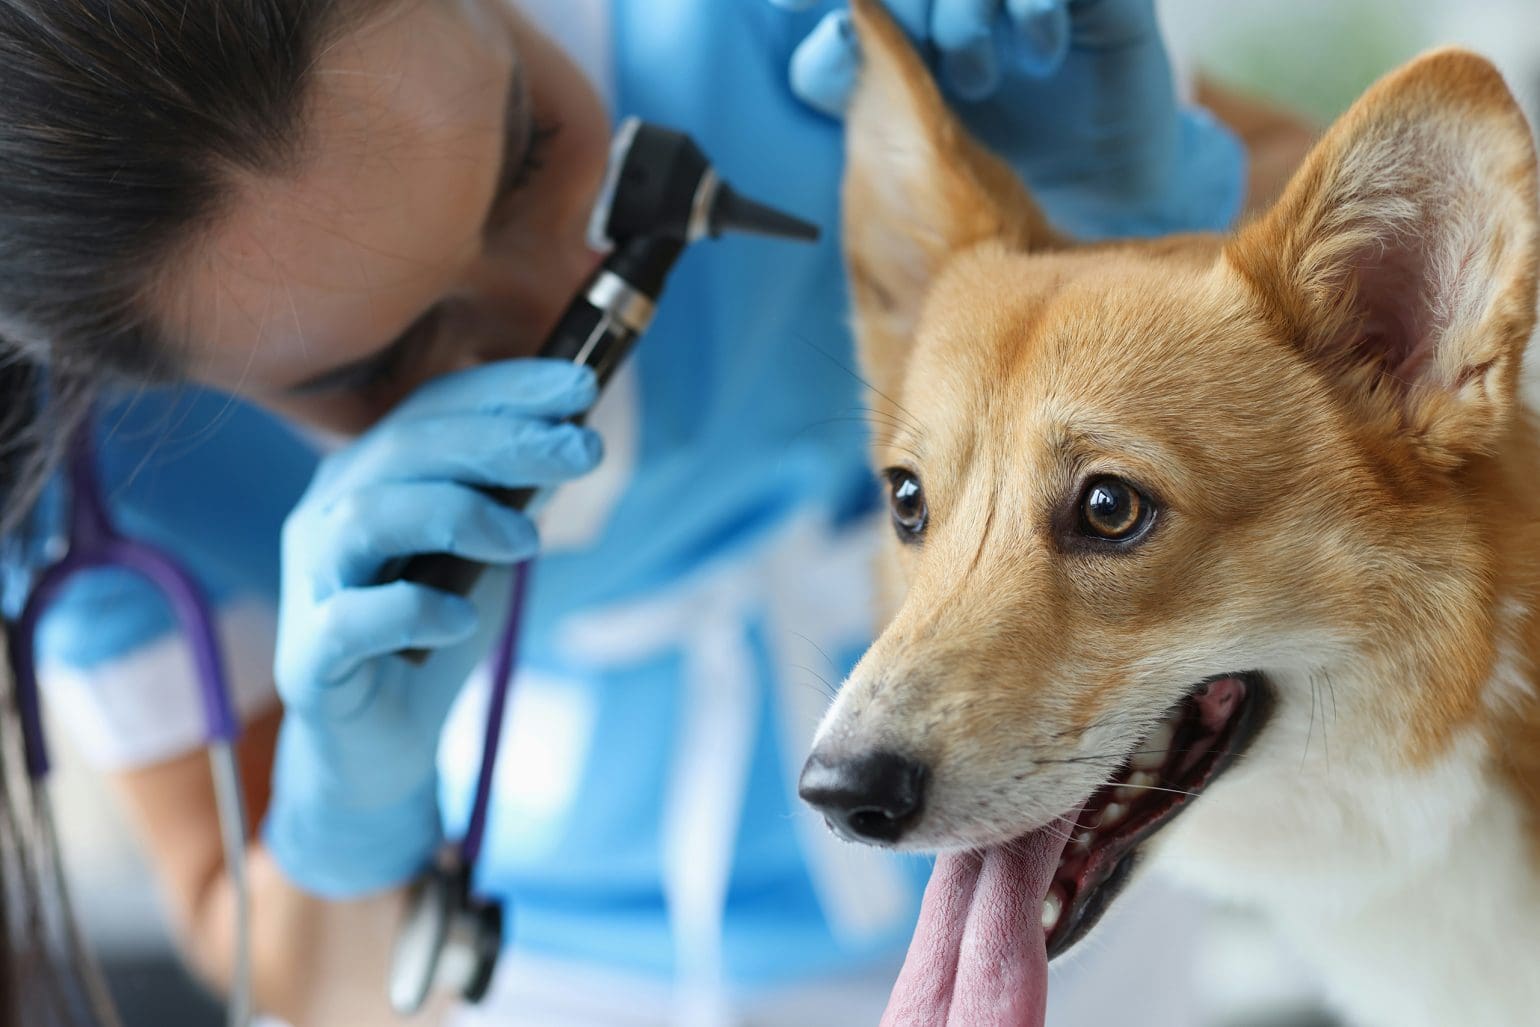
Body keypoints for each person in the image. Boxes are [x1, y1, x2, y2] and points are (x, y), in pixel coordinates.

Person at [0, 1, 1255, 1023]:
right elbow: (318, 988)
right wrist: (347, 813)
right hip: (532, 969)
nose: (567, 292)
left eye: (528, 148)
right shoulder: (97, 493)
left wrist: (1135, 220)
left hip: (1057, 897)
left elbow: (1377, 381)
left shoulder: (801, 37)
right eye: (372, 365)